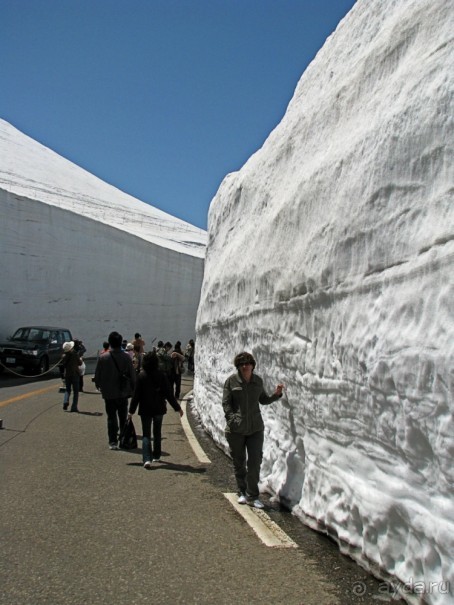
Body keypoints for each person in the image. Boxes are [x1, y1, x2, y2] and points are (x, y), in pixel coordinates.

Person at [222, 351, 284, 509]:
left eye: (248, 363)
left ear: (252, 366)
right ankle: (242, 492)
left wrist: (276, 395)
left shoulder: (257, 381)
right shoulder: (231, 382)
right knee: (239, 462)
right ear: (238, 366)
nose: (245, 366)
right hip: (236, 430)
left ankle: (253, 495)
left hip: (255, 428)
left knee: (255, 462)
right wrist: (233, 420)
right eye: (242, 364)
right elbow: (226, 404)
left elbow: (262, 400)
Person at [128, 351, 183, 468]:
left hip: (145, 408)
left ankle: (147, 459)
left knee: (146, 434)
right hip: (159, 408)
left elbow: (136, 396)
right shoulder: (161, 375)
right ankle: (156, 455)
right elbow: (169, 394)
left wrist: (131, 411)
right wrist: (177, 408)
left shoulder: (141, 376)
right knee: (157, 432)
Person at [95, 331, 136, 450]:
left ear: (110, 343)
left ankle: (112, 441)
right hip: (123, 392)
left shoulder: (103, 357)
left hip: (108, 393)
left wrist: (99, 385)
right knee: (123, 416)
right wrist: (134, 390)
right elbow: (132, 375)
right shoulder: (126, 357)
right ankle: (123, 439)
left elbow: (98, 375)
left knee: (111, 417)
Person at [60, 341, 83, 412]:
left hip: (67, 374)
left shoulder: (64, 356)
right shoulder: (75, 354)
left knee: (68, 389)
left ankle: (65, 401)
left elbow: (63, 364)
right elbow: (80, 363)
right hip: (75, 374)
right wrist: (81, 360)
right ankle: (74, 407)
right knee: (76, 391)